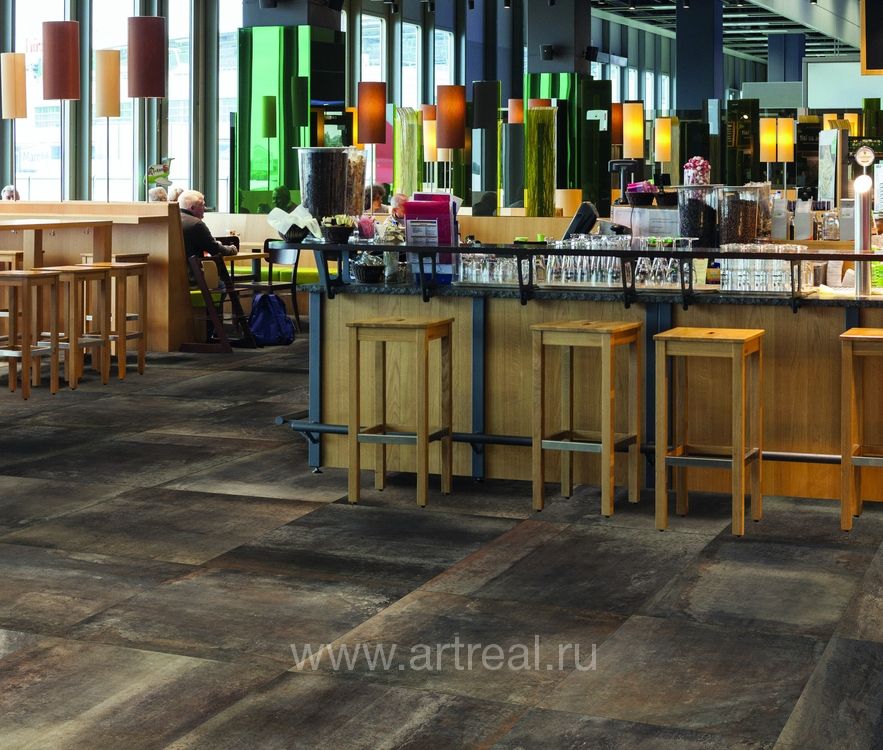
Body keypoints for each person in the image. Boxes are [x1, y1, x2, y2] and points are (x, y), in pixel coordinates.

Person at [178, 190, 238, 260]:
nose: (205, 208)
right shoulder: (196, 224)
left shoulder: (171, 220)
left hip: (174, 266)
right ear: (192, 208)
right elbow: (215, 249)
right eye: (202, 205)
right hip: (192, 266)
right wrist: (232, 249)